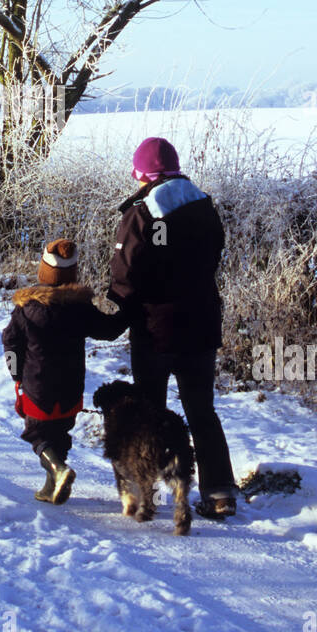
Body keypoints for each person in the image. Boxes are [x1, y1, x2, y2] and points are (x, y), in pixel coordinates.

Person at [107, 136, 238, 519]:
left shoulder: (141, 214)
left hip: (155, 331)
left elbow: (125, 275)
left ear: (143, 173)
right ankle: (219, 492)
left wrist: (113, 315)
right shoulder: (205, 207)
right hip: (200, 326)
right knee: (202, 411)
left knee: (149, 411)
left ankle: (143, 489)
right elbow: (213, 256)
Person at [2, 237, 126, 504]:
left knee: (36, 433)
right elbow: (109, 330)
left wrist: (15, 373)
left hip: (38, 385)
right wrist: (128, 309)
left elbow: (10, 341)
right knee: (60, 433)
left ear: (44, 271)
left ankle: (58, 470)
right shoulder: (80, 307)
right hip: (71, 387)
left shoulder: (27, 307)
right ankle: (52, 487)